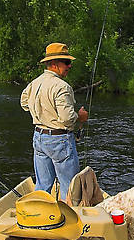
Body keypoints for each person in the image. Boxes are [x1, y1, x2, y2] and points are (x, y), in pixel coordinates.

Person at [21, 42, 88, 200]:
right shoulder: (62, 87)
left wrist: (41, 112)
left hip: (39, 138)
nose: (69, 66)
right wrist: (81, 117)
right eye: (66, 62)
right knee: (69, 188)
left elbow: (24, 103)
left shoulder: (34, 83)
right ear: (53, 64)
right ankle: (68, 219)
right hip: (59, 140)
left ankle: (38, 216)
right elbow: (67, 119)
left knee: (43, 185)